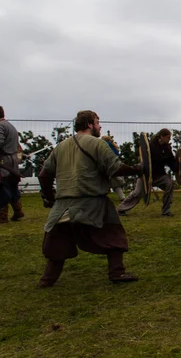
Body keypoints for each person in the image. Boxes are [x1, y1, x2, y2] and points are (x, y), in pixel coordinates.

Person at [37, 110, 142, 287]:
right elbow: (116, 168)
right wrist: (137, 169)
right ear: (89, 125)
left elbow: (43, 175)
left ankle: (47, 280)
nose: (100, 126)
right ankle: (117, 272)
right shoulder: (97, 144)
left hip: (63, 205)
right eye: (97, 122)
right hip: (93, 202)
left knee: (58, 241)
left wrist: (50, 198)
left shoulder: (60, 146)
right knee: (113, 233)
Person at [118, 128, 177, 216]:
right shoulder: (150, 146)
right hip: (145, 174)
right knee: (137, 193)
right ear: (162, 136)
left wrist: (178, 167)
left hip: (159, 175)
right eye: (168, 137)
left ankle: (166, 211)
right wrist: (164, 158)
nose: (169, 139)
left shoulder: (167, 148)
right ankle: (121, 209)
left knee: (169, 184)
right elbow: (150, 159)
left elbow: (171, 161)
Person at [0, 105, 24, 225]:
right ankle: (18, 210)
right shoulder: (11, 126)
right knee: (12, 185)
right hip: (12, 160)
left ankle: (2, 216)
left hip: (3, 161)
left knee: (2, 186)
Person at [102, 135, 126, 201]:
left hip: (111, 165)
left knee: (115, 183)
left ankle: (122, 197)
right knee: (117, 181)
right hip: (117, 164)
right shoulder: (113, 146)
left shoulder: (106, 145)